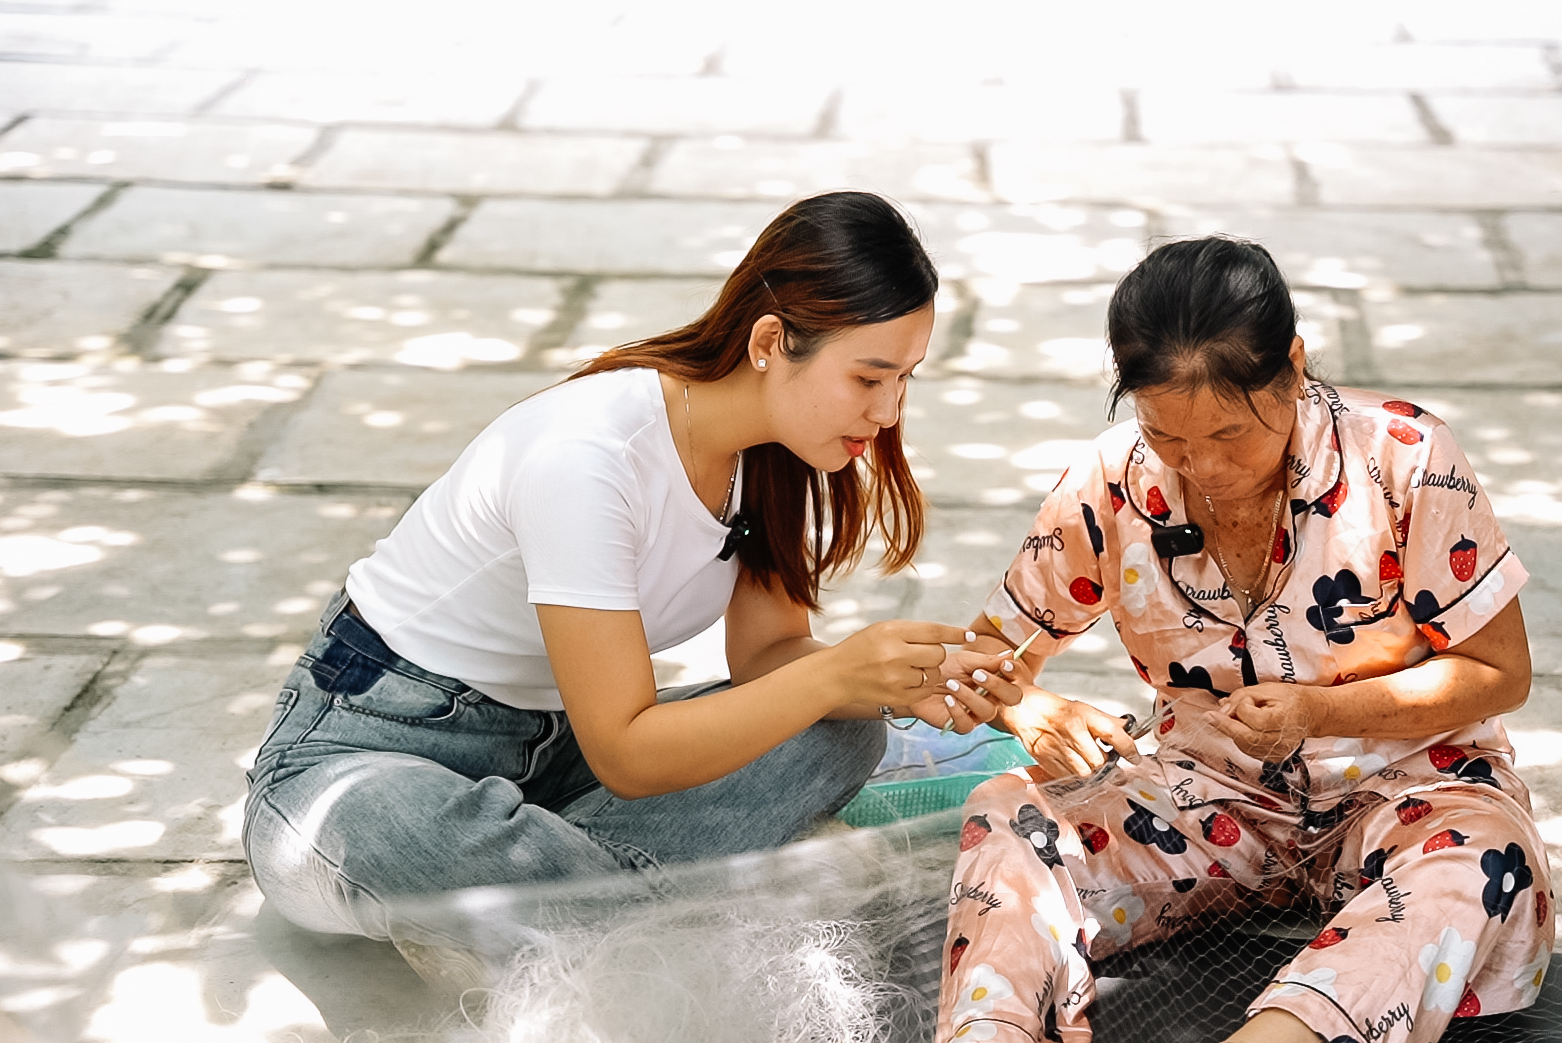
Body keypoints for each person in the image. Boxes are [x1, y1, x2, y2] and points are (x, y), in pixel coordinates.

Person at [242, 192, 1007, 967]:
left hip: (558, 757)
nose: (887, 410)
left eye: (905, 379)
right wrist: (838, 672)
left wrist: (918, 680)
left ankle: (559, 917)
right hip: (370, 749)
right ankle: (611, 912)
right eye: (869, 378)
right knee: (390, 829)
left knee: (842, 729)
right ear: (772, 341)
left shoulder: (775, 452)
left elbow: (769, 655)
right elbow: (630, 755)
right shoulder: (589, 456)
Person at [933, 236, 1552, 1043]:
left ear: (1293, 369)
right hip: (1205, 796)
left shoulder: (1406, 459)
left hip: (1409, 783)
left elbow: (1499, 672)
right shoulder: (1112, 484)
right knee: (1009, 811)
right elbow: (989, 656)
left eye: (1230, 432)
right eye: (1168, 437)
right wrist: (1026, 704)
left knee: (1483, 863)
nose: (1202, 468)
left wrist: (1319, 711)